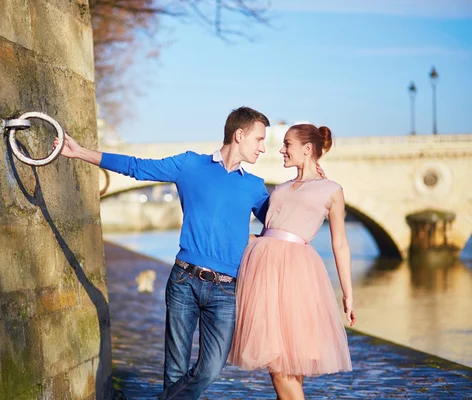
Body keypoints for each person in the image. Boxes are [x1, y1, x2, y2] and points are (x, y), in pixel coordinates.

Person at [55, 107, 272, 399]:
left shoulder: (255, 186)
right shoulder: (190, 165)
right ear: (239, 134)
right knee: (175, 369)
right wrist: (80, 152)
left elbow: (280, 225)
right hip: (185, 280)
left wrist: (311, 185)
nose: (263, 147)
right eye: (259, 139)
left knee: (210, 368)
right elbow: (137, 167)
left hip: (227, 291)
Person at [229, 124, 356, 400]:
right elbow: (270, 228)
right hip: (262, 270)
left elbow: (341, 244)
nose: (281, 150)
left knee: (282, 364)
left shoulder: (331, 190)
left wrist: (347, 294)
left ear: (307, 149)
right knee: (285, 363)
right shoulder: (281, 187)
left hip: (297, 274)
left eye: (287, 144)